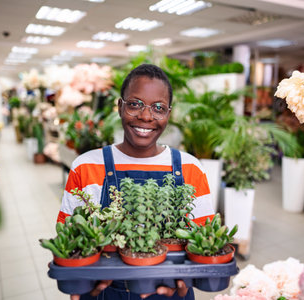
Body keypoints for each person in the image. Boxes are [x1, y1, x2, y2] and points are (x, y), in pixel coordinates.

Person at [57, 64, 215, 300]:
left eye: (158, 108)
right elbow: (68, 242)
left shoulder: (189, 167)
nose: (146, 116)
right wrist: (78, 282)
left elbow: (204, 243)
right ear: (120, 107)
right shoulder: (86, 166)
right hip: (101, 291)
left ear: (168, 114)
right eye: (135, 104)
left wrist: (186, 280)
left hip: (170, 288)